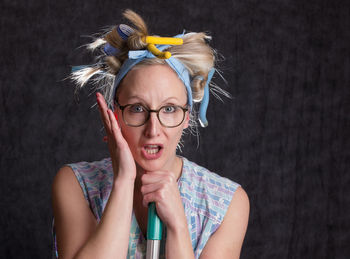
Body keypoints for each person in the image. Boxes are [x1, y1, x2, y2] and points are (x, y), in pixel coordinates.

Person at [52, 9, 249, 259]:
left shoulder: (227, 204)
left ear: (187, 116)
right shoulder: (75, 185)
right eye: (137, 108)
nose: (153, 130)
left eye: (169, 109)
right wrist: (123, 182)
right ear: (115, 114)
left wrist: (178, 227)